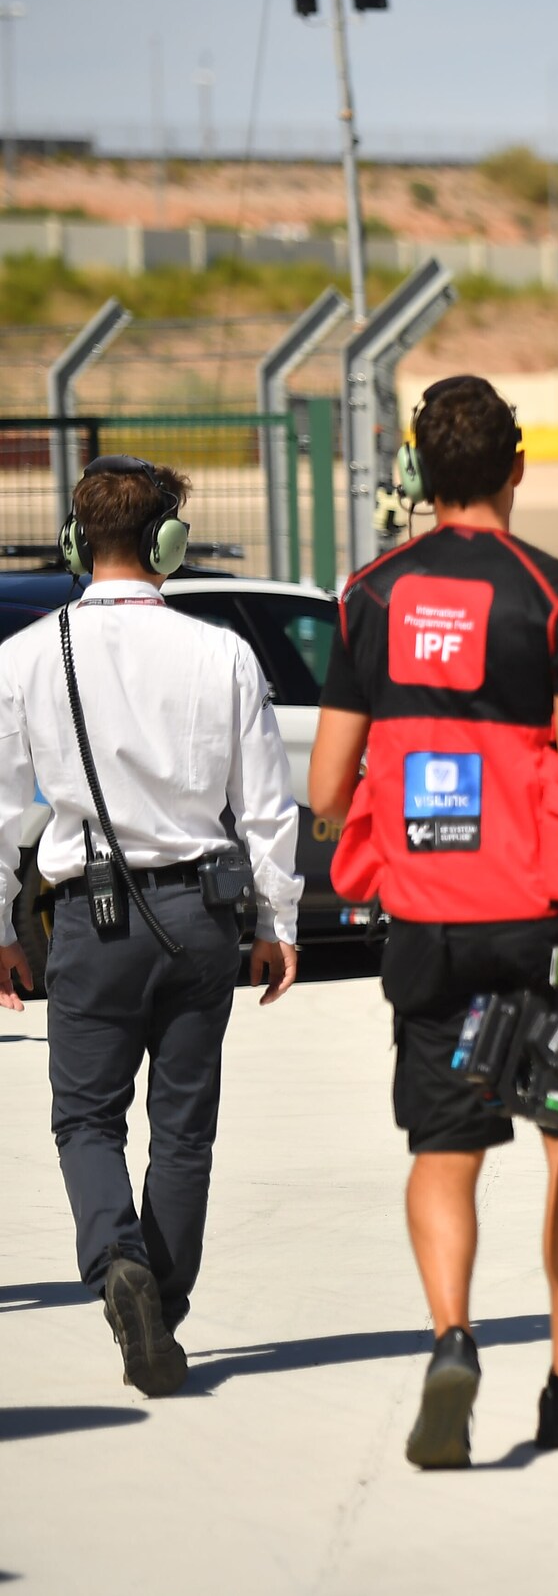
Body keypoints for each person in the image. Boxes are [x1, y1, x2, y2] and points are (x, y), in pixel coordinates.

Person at [310, 375, 558, 1468]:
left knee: (444, 1148)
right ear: (518, 466)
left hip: (431, 921)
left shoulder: (370, 594)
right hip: (551, 928)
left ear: (419, 476)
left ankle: (452, 1339)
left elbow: (330, 789)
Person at [0, 456, 300, 1398]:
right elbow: (265, 811)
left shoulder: (22, 658)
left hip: (88, 919)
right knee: (183, 1129)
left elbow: (2, 813)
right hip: (203, 917)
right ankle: (158, 1311)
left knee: (86, 1119)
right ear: (171, 542)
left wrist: (2, 929)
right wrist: (280, 921)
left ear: (75, 542)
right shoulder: (223, 653)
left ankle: (114, 1264)